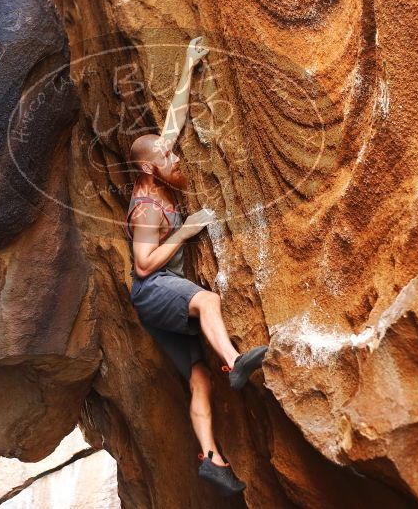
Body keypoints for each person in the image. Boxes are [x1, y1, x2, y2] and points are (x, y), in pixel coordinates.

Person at [124, 36, 268, 497]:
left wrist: (188, 65)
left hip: (159, 303)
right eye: (167, 157)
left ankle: (211, 458)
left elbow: (174, 121)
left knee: (198, 379)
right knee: (208, 300)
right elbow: (144, 266)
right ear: (150, 171)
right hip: (154, 289)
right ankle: (236, 362)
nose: (175, 155)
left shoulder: (159, 175)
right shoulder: (147, 206)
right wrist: (186, 232)